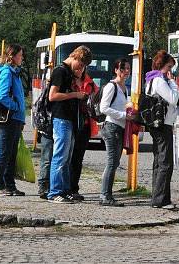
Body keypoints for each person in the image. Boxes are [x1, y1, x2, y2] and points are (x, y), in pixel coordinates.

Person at [47, 45, 92, 204]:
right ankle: (54, 192)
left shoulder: (70, 72)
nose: (81, 68)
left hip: (69, 119)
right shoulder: (60, 71)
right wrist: (75, 94)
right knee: (60, 157)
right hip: (61, 118)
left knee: (67, 158)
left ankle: (65, 190)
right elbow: (52, 96)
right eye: (80, 65)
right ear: (76, 57)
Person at [0, 44, 27, 196]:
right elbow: (2, 96)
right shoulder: (7, 72)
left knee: (11, 154)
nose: (22, 58)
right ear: (12, 56)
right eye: (20, 55)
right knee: (3, 152)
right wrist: (16, 106)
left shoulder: (15, 72)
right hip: (9, 118)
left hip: (16, 118)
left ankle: (9, 184)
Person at [145, 50, 179, 210]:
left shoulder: (151, 79)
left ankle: (157, 197)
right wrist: (173, 83)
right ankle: (161, 200)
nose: (170, 71)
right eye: (169, 67)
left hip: (157, 124)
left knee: (159, 161)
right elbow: (173, 99)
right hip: (163, 125)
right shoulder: (160, 81)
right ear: (162, 66)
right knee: (165, 163)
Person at [99, 58, 132, 207]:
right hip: (111, 127)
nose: (126, 72)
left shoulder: (124, 88)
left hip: (120, 128)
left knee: (115, 162)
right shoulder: (111, 86)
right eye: (123, 69)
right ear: (116, 70)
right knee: (112, 162)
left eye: (128, 69)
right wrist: (124, 115)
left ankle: (107, 194)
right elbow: (103, 108)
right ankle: (105, 195)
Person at [69, 66, 98, 201]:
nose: (79, 70)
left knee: (78, 159)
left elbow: (98, 98)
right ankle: (62, 187)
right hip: (69, 123)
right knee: (65, 158)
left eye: (82, 68)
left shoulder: (90, 83)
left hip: (85, 125)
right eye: (77, 67)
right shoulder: (68, 80)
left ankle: (74, 188)